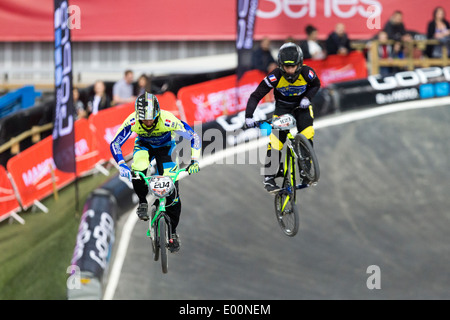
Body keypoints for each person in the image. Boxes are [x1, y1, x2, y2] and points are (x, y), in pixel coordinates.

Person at [110, 92, 201, 252]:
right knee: (138, 168)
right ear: (138, 116)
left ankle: (172, 233)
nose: (148, 121)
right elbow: (115, 143)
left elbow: (194, 137)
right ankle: (143, 202)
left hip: (166, 148)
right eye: (144, 119)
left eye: (152, 118)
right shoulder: (133, 121)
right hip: (143, 146)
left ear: (158, 113)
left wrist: (194, 160)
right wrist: (122, 164)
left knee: (173, 194)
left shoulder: (168, 119)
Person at [245, 42, 321, 192]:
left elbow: (316, 85)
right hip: (283, 108)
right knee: (275, 141)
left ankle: (305, 169)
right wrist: (248, 116)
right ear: (281, 65)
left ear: (299, 64)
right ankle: (269, 177)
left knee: (307, 133)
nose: (290, 70)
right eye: (286, 67)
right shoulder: (274, 76)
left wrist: (307, 98)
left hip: (301, 107)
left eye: (293, 66)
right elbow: (256, 96)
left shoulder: (307, 73)